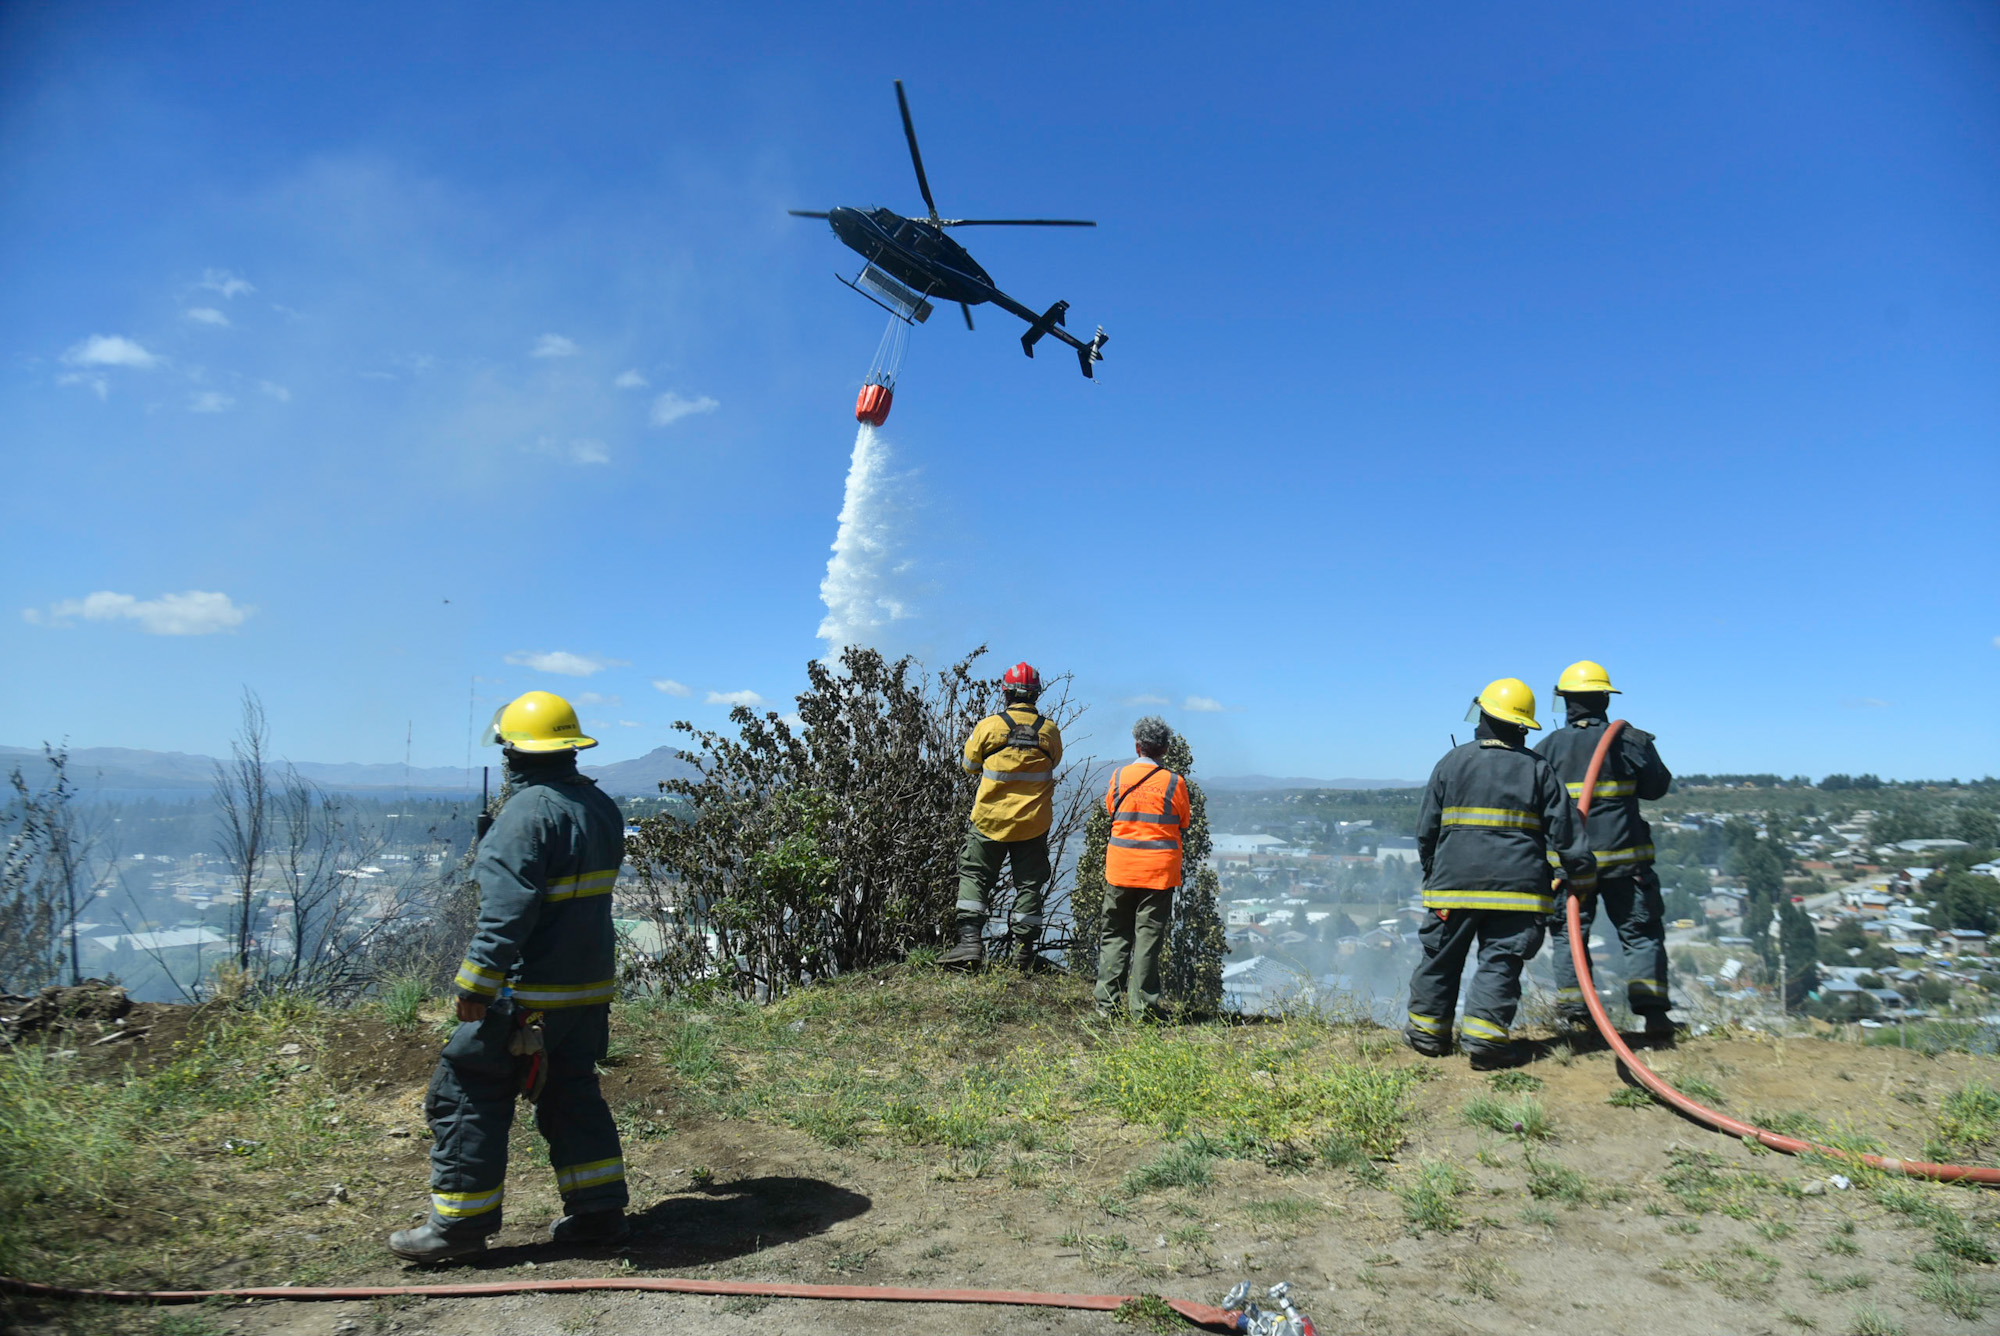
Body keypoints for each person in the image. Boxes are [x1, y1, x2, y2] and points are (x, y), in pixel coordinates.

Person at [388, 690, 631, 1262]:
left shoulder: (525, 815)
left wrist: (476, 985)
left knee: (467, 1091)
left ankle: (459, 1227)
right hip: (586, 991)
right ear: (568, 747)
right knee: (571, 1092)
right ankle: (599, 1215)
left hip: (526, 995)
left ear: (514, 753)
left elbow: (506, 913)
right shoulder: (598, 806)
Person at [1405, 678, 1596, 1068]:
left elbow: (1427, 830)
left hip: (1453, 889)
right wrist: (1582, 873)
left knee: (1440, 958)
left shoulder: (1452, 763)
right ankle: (1485, 1043)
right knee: (1501, 961)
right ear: (1522, 726)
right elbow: (1567, 831)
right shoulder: (1539, 770)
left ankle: (1428, 1034)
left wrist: (1434, 872)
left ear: (1486, 716)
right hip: (1519, 893)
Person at [1536, 660, 1675, 1038]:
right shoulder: (1628, 741)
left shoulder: (1545, 749)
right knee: (1641, 934)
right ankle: (1655, 1018)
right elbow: (1656, 788)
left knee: (1569, 938)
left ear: (1565, 702)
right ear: (1604, 700)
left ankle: (1577, 1018)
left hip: (1570, 869)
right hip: (1626, 867)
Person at [942, 661, 1064, 970]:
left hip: (989, 820)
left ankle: (969, 945)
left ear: (1006, 694)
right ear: (1036, 695)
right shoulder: (1049, 731)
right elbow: (1055, 762)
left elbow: (969, 766)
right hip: (1033, 823)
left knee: (975, 876)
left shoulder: (989, 727)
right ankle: (1023, 954)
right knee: (1029, 884)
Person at [1096, 716, 1194, 1017]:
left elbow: (1111, 811)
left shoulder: (1119, 776)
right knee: (1148, 941)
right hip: (1158, 873)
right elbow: (1184, 821)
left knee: (1114, 935)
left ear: (1137, 746)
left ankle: (1106, 1007)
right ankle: (1143, 1010)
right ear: (1164, 749)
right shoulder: (1174, 783)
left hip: (1121, 868)